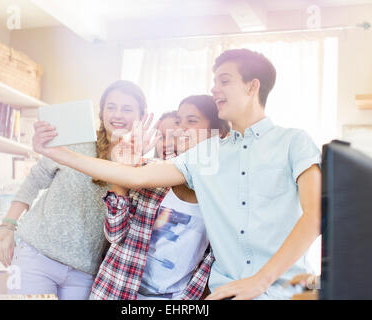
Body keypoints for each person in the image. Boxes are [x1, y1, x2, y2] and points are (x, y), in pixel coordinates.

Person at [32, 48, 322, 300]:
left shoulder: (293, 141)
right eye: (214, 82)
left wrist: (261, 280)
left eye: (224, 81)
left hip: (285, 291)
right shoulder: (208, 153)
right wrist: (58, 153)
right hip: (227, 292)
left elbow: (316, 215)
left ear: (252, 86)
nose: (214, 89)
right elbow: (136, 177)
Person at [0, 80, 147, 300]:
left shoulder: (142, 170)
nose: (117, 115)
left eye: (127, 109)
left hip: (84, 273)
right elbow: (35, 180)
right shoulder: (78, 142)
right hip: (35, 256)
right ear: (102, 112)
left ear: (142, 116)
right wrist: (7, 226)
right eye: (111, 107)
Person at [90, 95, 229, 300]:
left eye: (191, 121)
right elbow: (114, 235)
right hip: (116, 291)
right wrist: (121, 174)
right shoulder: (148, 173)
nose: (180, 130)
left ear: (220, 133)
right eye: (179, 123)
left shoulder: (225, 195)